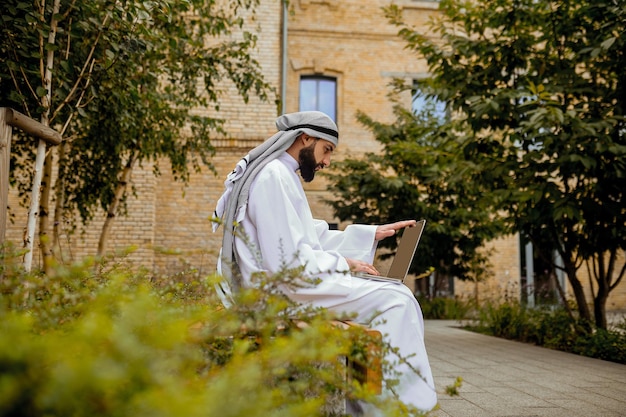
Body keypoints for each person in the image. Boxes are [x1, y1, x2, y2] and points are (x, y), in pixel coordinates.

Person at [213, 111, 437, 413]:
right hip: (281, 291)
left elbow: (308, 237)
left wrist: (371, 234)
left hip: (289, 284)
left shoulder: (280, 174)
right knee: (397, 300)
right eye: (326, 150)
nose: (326, 161)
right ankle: (398, 408)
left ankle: (370, 404)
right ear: (306, 138)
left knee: (392, 297)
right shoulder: (274, 175)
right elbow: (285, 259)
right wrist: (345, 263)